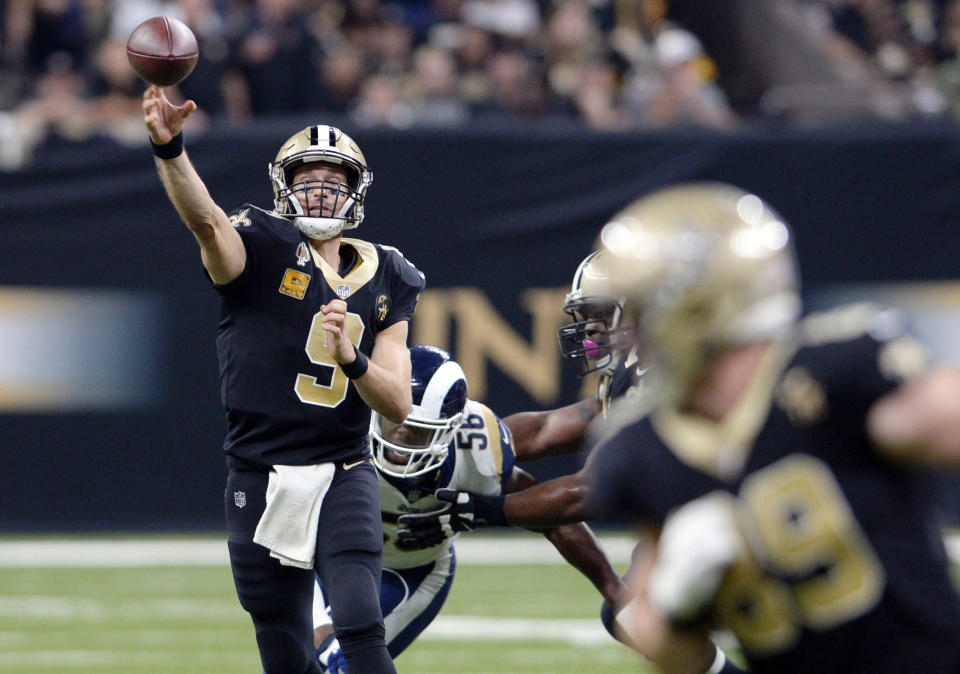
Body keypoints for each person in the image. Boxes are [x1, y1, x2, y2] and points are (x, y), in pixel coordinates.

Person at [587, 182, 960, 673]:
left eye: (638, 311)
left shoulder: (829, 375)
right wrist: (679, 601)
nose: (629, 332)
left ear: (694, 306)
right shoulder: (641, 449)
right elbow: (657, 639)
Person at [142, 85, 425, 673]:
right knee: (282, 638)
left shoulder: (389, 273)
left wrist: (352, 355)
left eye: (335, 180)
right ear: (283, 187)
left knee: (359, 619)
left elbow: (397, 404)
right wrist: (170, 150)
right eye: (307, 178)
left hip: (343, 467)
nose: (320, 191)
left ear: (357, 192)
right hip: (260, 467)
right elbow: (205, 222)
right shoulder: (262, 243)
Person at [395, 253, 746, 674]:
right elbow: (546, 430)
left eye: (601, 314)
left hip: (745, 520)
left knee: (657, 607)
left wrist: (480, 510)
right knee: (635, 612)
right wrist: (455, 441)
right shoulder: (641, 374)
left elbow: (589, 492)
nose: (592, 329)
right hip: (713, 518)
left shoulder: (670, 376)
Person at [311, 344, 626, 671]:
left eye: (418, 431)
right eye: (394, 418)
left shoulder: (476, 449)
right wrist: (318, 624)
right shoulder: (345, 424)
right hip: (324, 557)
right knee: (304, 661)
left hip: (411, 572)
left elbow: (553, 518)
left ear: (450, 430)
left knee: (339, 666)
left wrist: (612, 588)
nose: (400, 437)